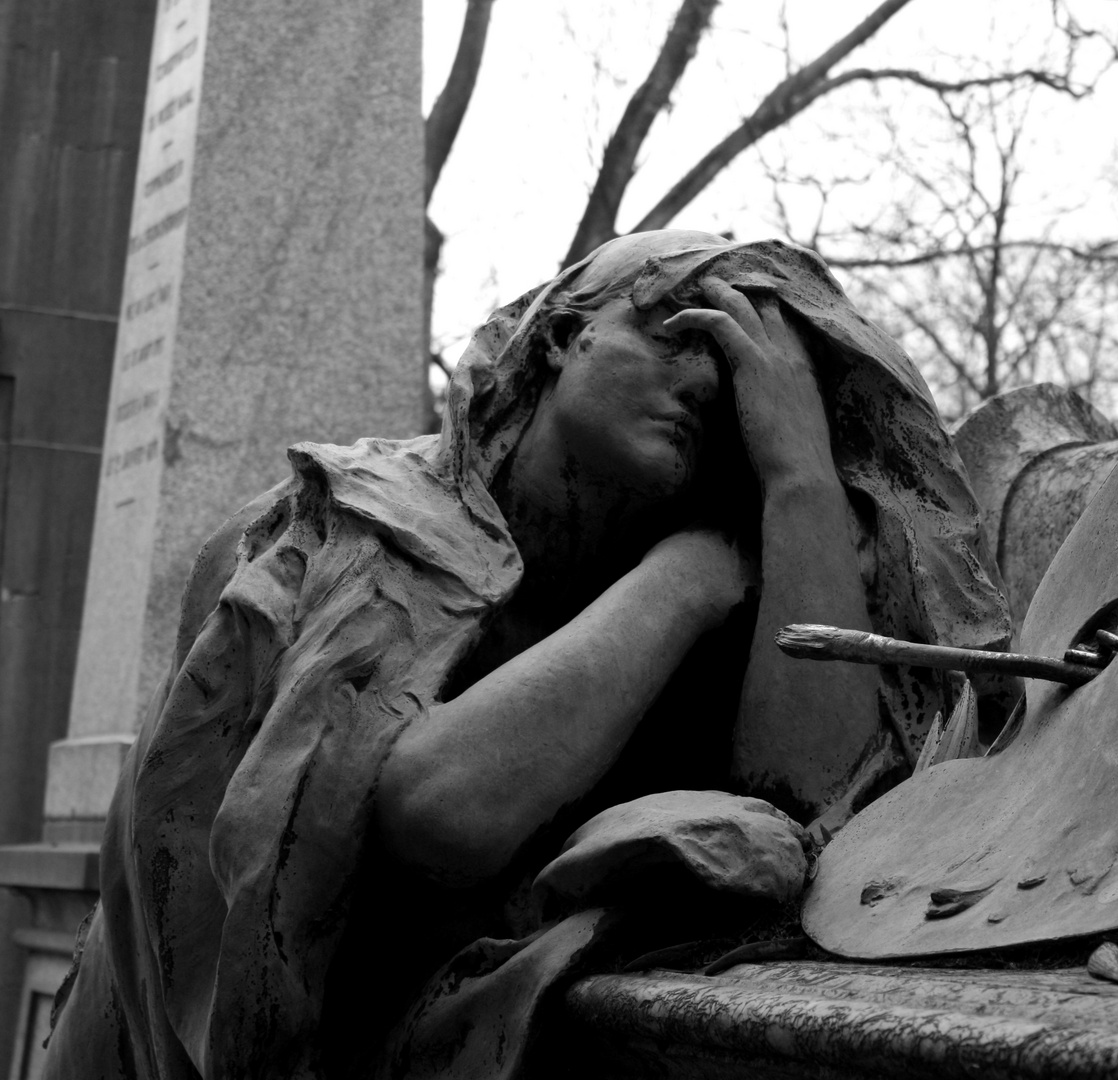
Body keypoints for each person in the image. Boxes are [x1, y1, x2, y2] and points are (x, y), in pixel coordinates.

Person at [43, 231, 1008, 1078]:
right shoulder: (351, 523)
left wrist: (798, 476)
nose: (712, 385)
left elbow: (814, 812)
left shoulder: (706, 590)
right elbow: (434, 810)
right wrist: (685, 580)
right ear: (564, 335)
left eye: (753, 387)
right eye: (684, 335)